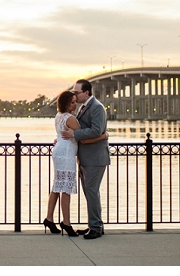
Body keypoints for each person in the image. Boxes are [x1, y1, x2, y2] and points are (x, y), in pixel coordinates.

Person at [44, 90, 108, 237]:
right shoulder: (70, 118)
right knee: (65, 187)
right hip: (66, 154)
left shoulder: (58, 116)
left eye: (75, 101)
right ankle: (66, 223)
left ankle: (49, 218)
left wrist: (60, 138)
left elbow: (64, 134)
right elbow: (84, 138)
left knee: (57, 184)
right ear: (66, 103)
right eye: (72, 102)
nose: (75, 105)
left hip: (59, 150)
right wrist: (103, 136)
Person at [61, 79, 110, 239]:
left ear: (86, 92)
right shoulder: (84, 107)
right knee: (90, 193)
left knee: (92, 192)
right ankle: (95, 225)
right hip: (85, 158)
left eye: (77, 92)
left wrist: (74, 134)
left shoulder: (97, 108)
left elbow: (96, 130)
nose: (74, 95)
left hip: (95, 158)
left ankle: (95, 228)